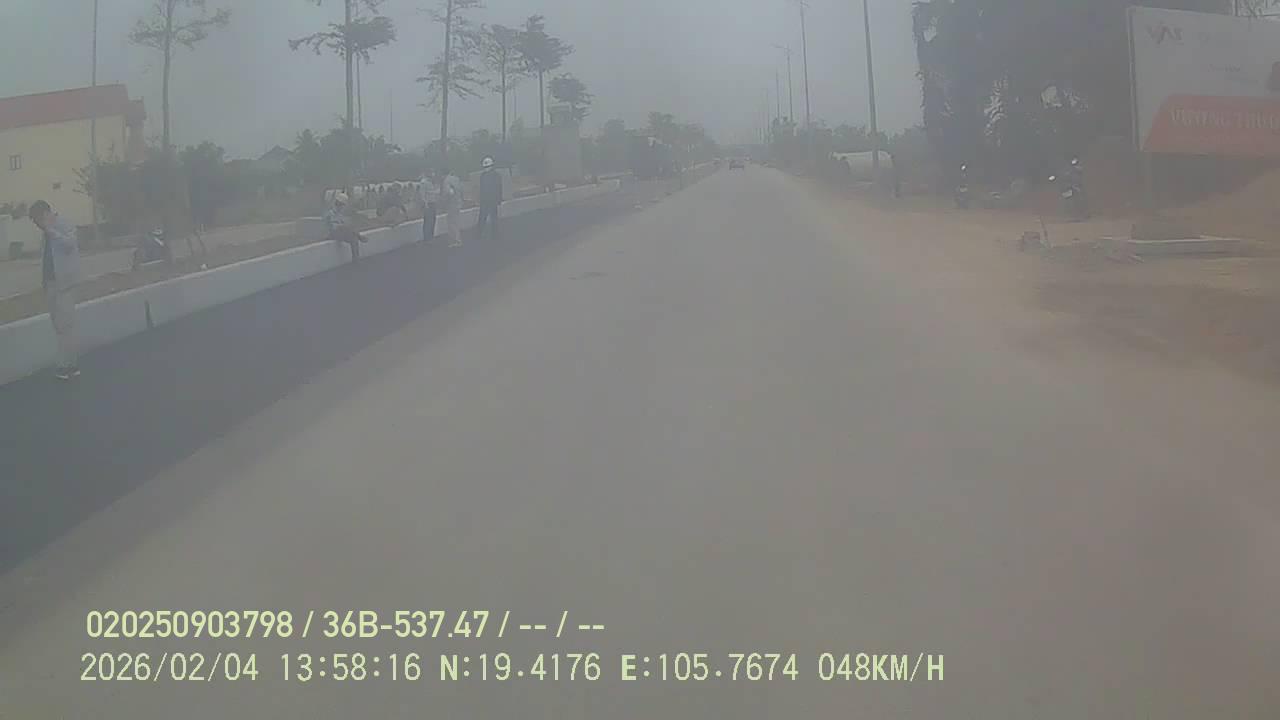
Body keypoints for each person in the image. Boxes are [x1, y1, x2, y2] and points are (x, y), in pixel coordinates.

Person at [29, 200, 83, 380]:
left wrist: (51, 230)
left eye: (36, 220)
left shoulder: (64, 224)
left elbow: (70, 245)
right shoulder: (44, 233)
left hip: (65, 284)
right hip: (50, 284)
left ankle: (68, 365)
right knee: (58, 325)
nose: (36, 224)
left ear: (45, 214)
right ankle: (68, 363)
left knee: (66, 325)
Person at [324, 192, 368, 261]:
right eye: (341, 205)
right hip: (332, 234)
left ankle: (356, 258)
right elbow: (332, 227)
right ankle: (359, 236)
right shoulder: (330, 213)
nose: (342, 207)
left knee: (354, 238)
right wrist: (343, 226)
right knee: (345, 227)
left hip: (340, 233)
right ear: (338, 204)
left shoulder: (340, 214)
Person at [475, 157, 503, 241]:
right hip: (486, 200)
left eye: (487, 166)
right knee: (484, 218)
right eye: (485, 167)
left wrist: (498, 199)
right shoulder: (484, 175)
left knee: (491, 218)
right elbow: (482, 189)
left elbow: (498, 188)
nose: (486, 168)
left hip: (491, 200)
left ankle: (494, 235)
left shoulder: (495, 175)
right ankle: (480, 234)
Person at [441, 166, 463, 248]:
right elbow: (461, 190)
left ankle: (455, 241)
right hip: (458, 203)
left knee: (451, 223)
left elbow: (449, 193)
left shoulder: (446, 181)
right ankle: (457, 240)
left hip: (451, 204)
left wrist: (444, 201)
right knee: (456, 222)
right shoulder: (456, 178)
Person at [418, 170, 439, 242]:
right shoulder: (423, 182)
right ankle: (427, 238)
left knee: (433, 221)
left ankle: (431, 237)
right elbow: (422, 195)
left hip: (433, 203)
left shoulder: (432, 182)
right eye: (431, 173)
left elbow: (434, 193)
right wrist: (425, 204)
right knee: (428, 222)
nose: (433, 174)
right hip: (428, 204)